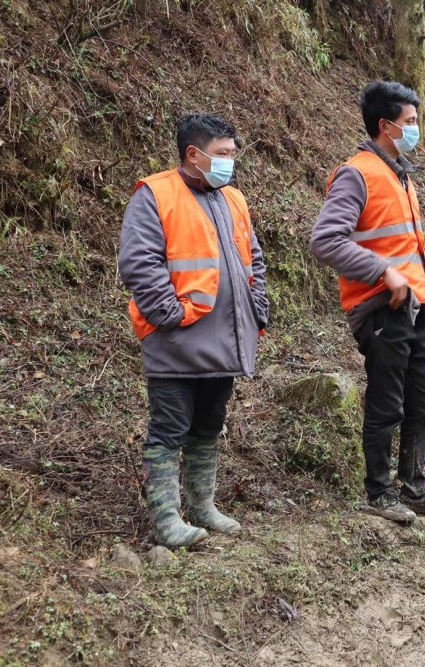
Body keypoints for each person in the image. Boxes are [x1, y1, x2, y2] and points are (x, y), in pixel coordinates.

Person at [119, 114, 270, 547]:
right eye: (222, 154)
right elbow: (139, 263)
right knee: (169, 428)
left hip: (227, 337)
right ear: (193, 154)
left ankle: (202, 507)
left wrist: (256, 307)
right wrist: (168, 314)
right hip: (175, 340)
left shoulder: (233, 200)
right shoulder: (155, 195)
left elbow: (252, 260)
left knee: (209, 424)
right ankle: (167, 520)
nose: (230, 162)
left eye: (232, 154)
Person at [310, 81, 425, 523]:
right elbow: (325, 240)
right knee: (387, 404)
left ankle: (414, 487)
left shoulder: (400, 174)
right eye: (410, 122)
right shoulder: (357, 173)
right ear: (384, 125)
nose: (415, 129)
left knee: (424, 401)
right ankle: (379, 492)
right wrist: (383, 272)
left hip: (413, 307)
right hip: (380, 308)